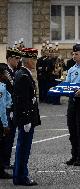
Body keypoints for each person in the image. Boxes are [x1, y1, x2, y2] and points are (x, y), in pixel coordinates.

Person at [13, 48, 41, 186]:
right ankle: (22, 176)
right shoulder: (23, 76)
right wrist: (27, 119)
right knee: (24, 148)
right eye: (34, 59)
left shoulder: (23, 73)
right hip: (26, 119)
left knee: (22, 147)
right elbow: (22, 100)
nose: (35, 61)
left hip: (26, 117)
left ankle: (19, 175)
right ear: (29, 60)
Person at [0, 47, 21, 170]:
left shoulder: (13, 71)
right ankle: (4, 163)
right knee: (6, 137)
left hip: (12, 108)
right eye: (16, 58)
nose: (18, 61)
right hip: (7, 107)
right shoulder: (5, 71)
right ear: (10, 59)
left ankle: (6, 161)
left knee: (11, 137)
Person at [0, 67, 13, 179]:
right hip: (0, 120)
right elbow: (2, 108)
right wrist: (5, 124)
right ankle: (1, 171)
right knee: (1, 145)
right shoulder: (1, 88)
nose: (6, 75)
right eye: (5, 73)